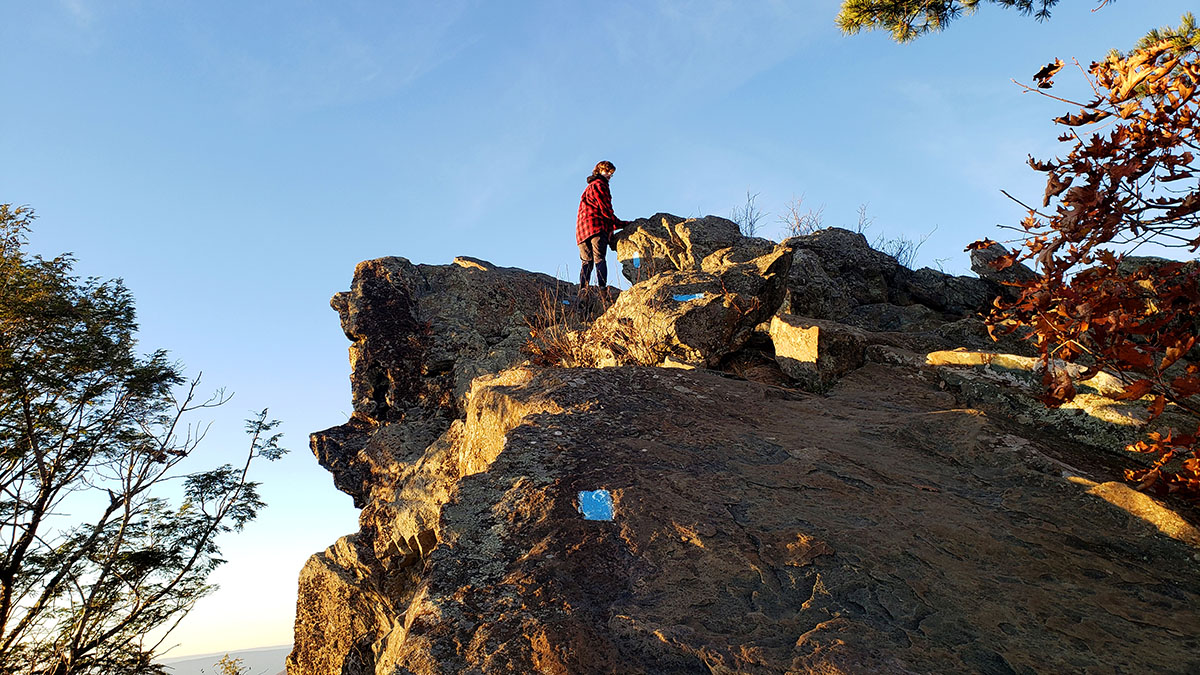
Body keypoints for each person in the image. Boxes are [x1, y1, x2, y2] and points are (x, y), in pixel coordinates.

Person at [575, 160, 626, 302]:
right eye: (607, 171)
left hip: (581, 232)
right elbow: (605, 210)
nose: (609, 174)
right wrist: (622, 224)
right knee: (599, 259)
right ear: (599, 170)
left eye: (611, 173)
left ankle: (582, 293)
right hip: (596, 227)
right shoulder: (600, 185)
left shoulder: (588, 189)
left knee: (586, 263)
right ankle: (603, 292)